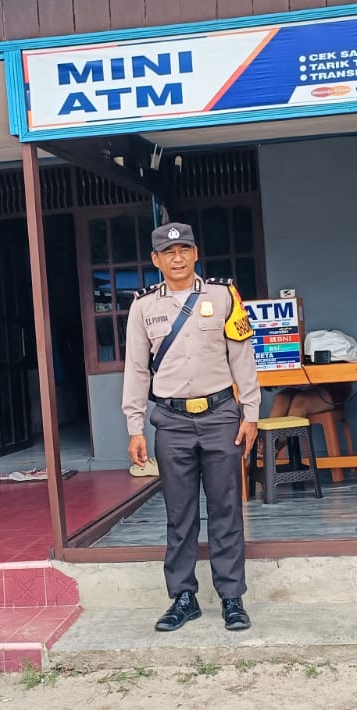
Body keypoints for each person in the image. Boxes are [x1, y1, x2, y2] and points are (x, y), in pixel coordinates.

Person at [121, 222, 260, 633]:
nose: (177, 258)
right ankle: (183, 597)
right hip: (172, 422)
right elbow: (136, 369)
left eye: (184, 249)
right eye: (168, 252)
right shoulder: (143, 307)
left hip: (220, 417)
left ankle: (231, 597)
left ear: (196, 253)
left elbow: (242, 357)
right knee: (179, 513)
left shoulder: (223, 296)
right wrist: (134, 426)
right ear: (156, 260)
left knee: (225, 509)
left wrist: (251, 413)